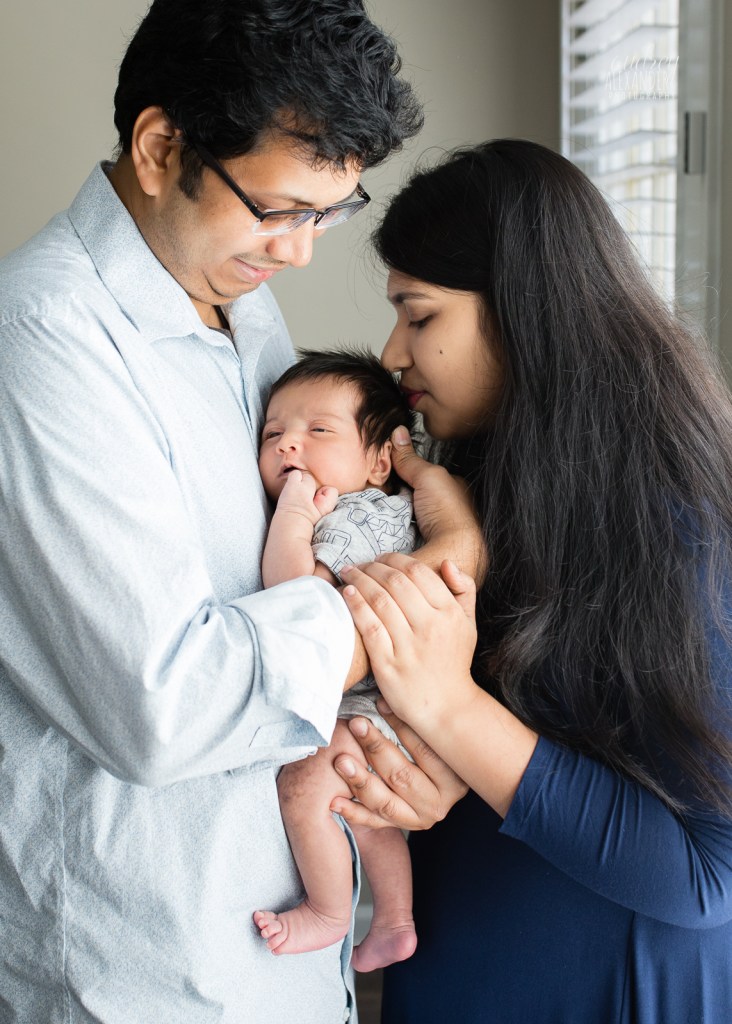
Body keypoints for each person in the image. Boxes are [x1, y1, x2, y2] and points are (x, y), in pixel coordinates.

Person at [0, 4, 485, 1021]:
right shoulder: (41, 340)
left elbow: (309, 560)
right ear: (161, 145)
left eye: (328, 213)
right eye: (279, 207)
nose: (301, 251)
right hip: (147, 974)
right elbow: (162, 704)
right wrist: (428, 590)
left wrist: (401, 755)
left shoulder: (237, 292)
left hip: (283, 957)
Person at [328, 140, 732, 1023]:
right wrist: (445, 761)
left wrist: (450, 715)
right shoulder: (483, 482)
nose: (394, 350)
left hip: (604, 979)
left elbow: (709, 874)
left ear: (520, 313)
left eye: (420, 314)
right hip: (468, 950)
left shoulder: (678, 520)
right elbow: (546, 722)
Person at [253, 350, 419, 973]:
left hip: (373, 707)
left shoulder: (350, 519)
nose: (290, 445)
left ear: (380, 462)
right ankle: (396, 921)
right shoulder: (384, 514)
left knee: (303, 786)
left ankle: (329, 912)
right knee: (368, 818)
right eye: (274, 434)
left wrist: (295, 512)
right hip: (393, 711)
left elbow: (295, 599)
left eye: (318, 431)